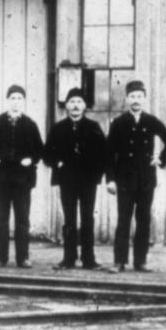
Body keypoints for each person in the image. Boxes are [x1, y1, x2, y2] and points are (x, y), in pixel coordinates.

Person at [105, 80, 166, 273]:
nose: (136, 100)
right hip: (124, 180)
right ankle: (119, 261)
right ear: (126, 99)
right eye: (132, 96)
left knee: (143, 220)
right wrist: (110, 179)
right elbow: (109, 153)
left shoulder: (151, 121)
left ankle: (140, 261)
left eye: (139, 96)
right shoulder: (119, 123)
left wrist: (161, 159)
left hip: (146, 179)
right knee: (123, 220)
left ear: (144, 99)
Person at [0, 84, 44, 268]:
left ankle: (23, 258)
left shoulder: (30, 125)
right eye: (13, 98)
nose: (16, 101)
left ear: (24, 102)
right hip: (2, 178)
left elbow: (40, 149)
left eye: (19, 98)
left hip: (23, 180)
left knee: (22, 219)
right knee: (1, 218)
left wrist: (30, 160)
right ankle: (1, 257)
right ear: (8, 100)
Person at [43, 87, 107, 270]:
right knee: (69, 219)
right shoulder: (58, 129)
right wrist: (58, 164)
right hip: (67, 181)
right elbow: (47, 154)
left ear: (85, 105)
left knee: (87, 218)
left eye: (79, 102)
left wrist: (95, 173)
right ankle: (68, 259)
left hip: (88, 182)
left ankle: (89, 259)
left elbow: (104, 155)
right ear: (66, 106)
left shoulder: (93, 128)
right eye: (72, 102)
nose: (76, 106)